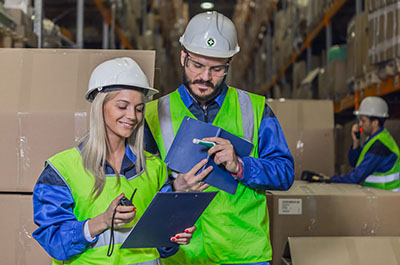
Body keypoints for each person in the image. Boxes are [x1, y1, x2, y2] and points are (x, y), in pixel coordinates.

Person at [144, 11, 294, 265]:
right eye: (197, 66)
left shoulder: (255, 109)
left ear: (229, 64)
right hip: (182, 256)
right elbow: (139, 188)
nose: (205, 77)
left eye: (217, 69)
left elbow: (284, 173)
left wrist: (242, 166)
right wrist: (174, 188)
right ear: (183, 57)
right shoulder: (152, 115)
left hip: (244, 255)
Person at [33, 57, 196, 265]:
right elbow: (53, 240)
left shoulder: (154, 168)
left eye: (139, 108)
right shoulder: (62, 170)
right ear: (101, 106)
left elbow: (162, 246)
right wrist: (101, 221)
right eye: (122, 106)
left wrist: (172, 237)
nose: (133, 116)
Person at [303, 96, 400, 191]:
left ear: (375, 122)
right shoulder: (374, 139)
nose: (360, 124)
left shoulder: (379, 146)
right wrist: (356, 141)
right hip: (381, 195)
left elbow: (356, 177)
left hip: (388, 197)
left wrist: (329, 179)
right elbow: (354, 163)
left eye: (363, 121)